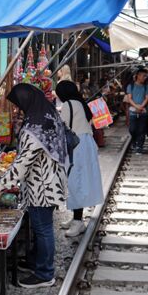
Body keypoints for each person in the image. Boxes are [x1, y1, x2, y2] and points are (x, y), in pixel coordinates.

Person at [0, 84, 68, 289]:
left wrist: (1, 186)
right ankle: (36, 261)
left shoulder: (35, 127)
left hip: (41, 186)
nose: (17, 109)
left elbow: (24, 161)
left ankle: (45, 273)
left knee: (43, 229)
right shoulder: (48, 116)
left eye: (18, 105)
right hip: (50, 181)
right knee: (41, 227)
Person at [55, 81, 104, 237]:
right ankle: (76, 218)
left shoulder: (69, 105)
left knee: (76, 182)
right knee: (79, 181)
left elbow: (60, 128)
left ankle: (78, 222)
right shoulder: (79, 103)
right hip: (84, 143)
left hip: (76, 146)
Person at [126, 68, 148, 155]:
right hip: (133, 111)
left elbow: (147, 98)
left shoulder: (146, 86)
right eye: (143, 76)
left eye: (145, 76)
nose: (145, 78)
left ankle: (139, 147)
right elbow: (129, 98)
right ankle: (135, 141)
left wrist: (141, 106)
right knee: (132, 129)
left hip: (143, 111)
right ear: (138, 76)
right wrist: (136, 106)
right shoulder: (130, 86)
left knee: (142, 130)